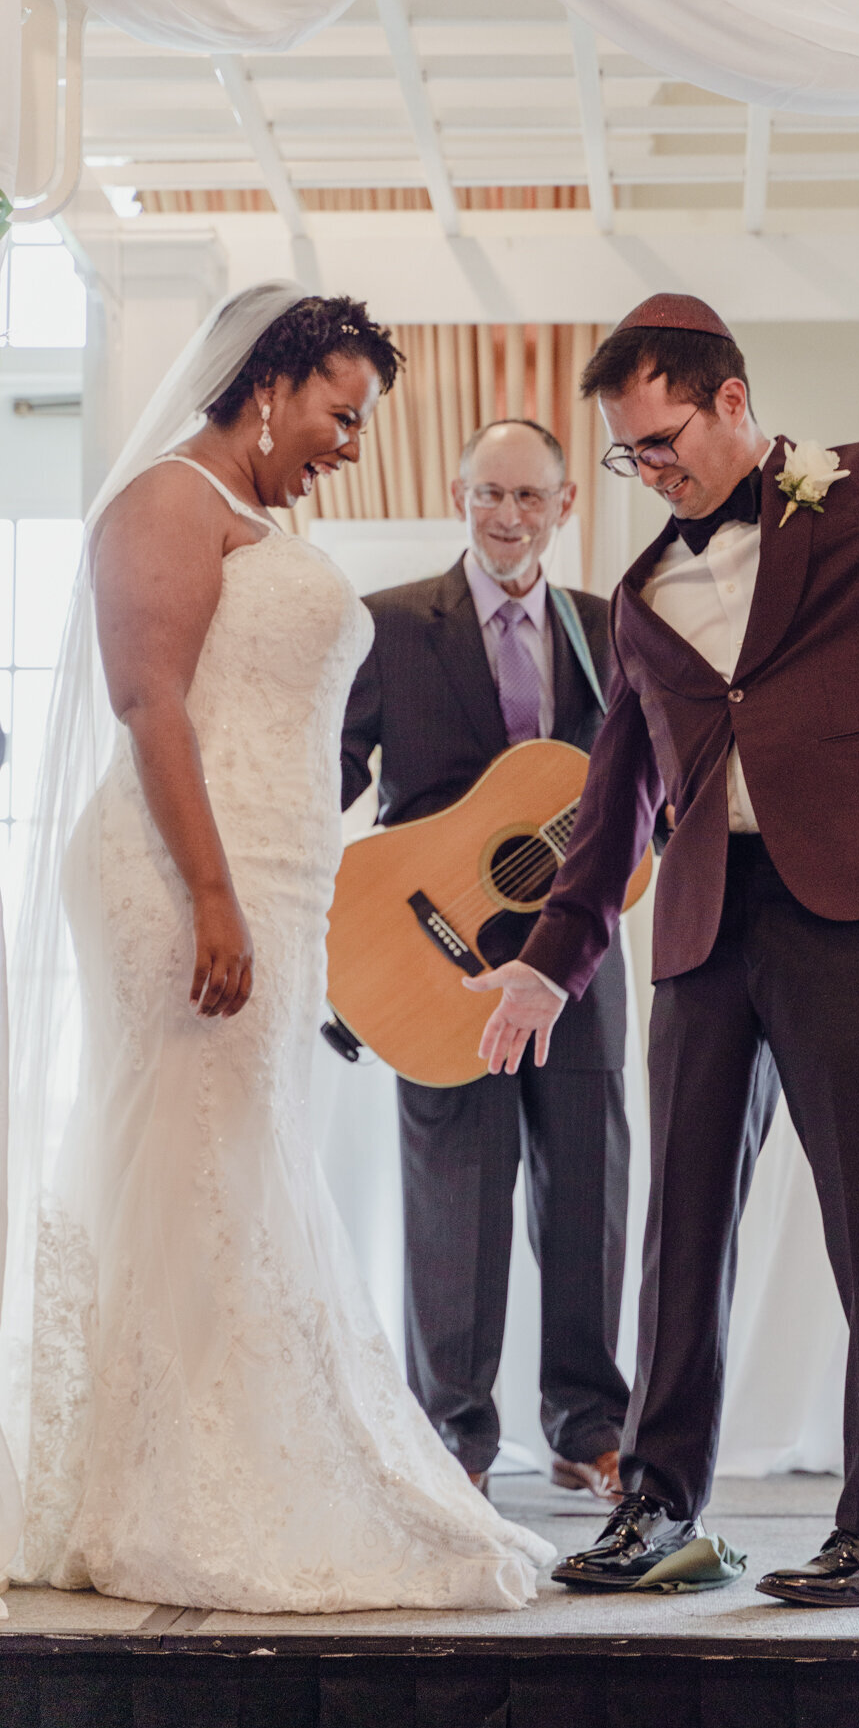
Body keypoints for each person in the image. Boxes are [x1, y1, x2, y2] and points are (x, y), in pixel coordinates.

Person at [466, 103, 859, 1606]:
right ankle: (661, 1508)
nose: (644, 468)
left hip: (847, 904)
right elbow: (611, 807)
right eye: (623, 454)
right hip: (701, 926)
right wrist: (549, 967)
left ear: (734, 403)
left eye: (660, 440)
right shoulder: (634, 594)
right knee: (677, 1230)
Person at [7, 285, 552, 1613]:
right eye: (340, 412)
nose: (351, 443)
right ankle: (173, 1477)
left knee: (229, 1163)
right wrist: (211, 895)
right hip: (184, 878)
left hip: (276, 882)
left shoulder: (250, 517)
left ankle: (163, 1457)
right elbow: (150, 705)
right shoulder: (165, 502)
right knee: (212, 1157)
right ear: (272, 378)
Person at [340, 419, 631, 1503]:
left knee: (589, 1199)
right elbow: (333, 773)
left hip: (576, 967)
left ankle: (588, 1428)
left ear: (563, 507)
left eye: (527, 497)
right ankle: (453, 1441)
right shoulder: (386, 627)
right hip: (434, 963)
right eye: (486, 494)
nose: (505, 516)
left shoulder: (609, 631)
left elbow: (647, 794)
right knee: (453, 1205)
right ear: (459, 494)